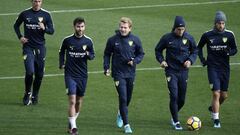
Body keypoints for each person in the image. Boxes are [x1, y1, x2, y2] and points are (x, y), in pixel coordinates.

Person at [155, 16, 198, 130]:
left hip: (183, 71)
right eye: (178, 29)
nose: (180, 31)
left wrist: (190, 60)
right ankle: (176, 121)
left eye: (182, 29)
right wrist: (162, 61)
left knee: (182, 99)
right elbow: (158, 50)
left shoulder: (189, 38)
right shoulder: (167, 38)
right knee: (174, 96)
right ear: (174, 28)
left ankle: (174, 114)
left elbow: (195, 51)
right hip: (171, 71)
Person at [103, 17, 144, 134]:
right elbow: (106, 54)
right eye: (121, 27)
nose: (123, 29)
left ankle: (121, 112)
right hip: (118, 73)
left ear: (130, 28)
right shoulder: (112, 40)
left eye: (125, 27)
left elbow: (141, 53)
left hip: (131, 73)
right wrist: (106, 67)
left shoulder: (135, 40)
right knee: (123, 97)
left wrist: (135, 61)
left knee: (128, 98)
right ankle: (127, 125)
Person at [198, 11, 237, 128]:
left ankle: (212, 108)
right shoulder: (207, 35)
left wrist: (230, 52)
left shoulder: (230, 35)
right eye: (219, 23)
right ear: (215, 23)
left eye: (223, 23)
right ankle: (216, 119)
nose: (221, 25)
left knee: (224, 96)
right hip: (212, 68)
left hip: (225, 68)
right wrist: (202, 59)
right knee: (216, 93)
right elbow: (198, 48)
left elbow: (235, 49)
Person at [13, 0, 54, 105]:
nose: (37, 3)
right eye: (35, 1)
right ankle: (27, 93)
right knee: (30, 71)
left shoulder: (46, 15)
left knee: (39, 74)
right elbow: (16, 25)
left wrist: (44, 28)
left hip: (40, 47)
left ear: (42, 2)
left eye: (39, 1)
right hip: (28, 47)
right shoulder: (25, 13)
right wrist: (20, 37)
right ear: (32, 2)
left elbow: (52, 31)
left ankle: (35, 94)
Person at [59, 17, 95, 135]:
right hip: (70, 74)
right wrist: (62, 63)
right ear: (74, 27)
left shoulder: (88, 41)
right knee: (72, 101)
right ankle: (74, 127)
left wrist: (88, 54)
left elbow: (92, 56)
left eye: (82, 26)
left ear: (85, 27)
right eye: (78, 26)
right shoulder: (67, 40)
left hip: (83, 75)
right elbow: (61, 51)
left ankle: (71, 122)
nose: (80, 29)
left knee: (79, 101)